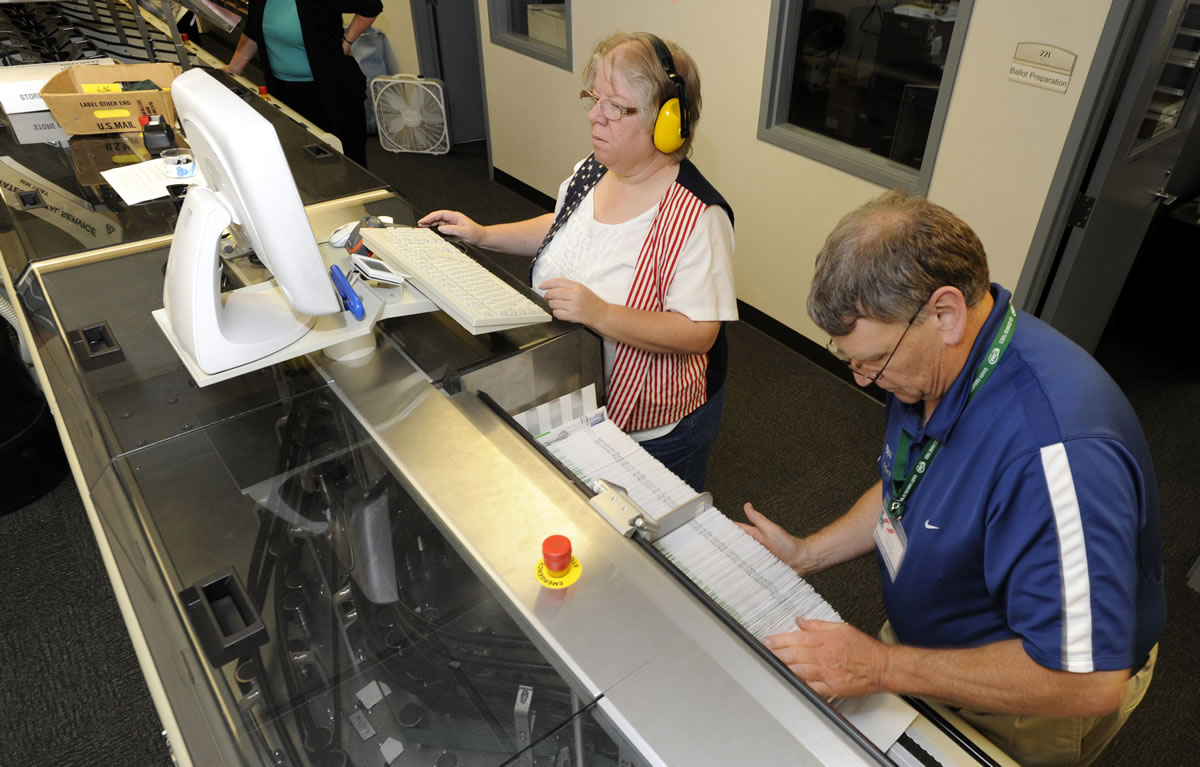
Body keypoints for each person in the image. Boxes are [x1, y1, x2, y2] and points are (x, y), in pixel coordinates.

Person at [740, 190, 1165, 767]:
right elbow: (910, 485)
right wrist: (807, 554)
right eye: (850, 361)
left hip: (1022, 701)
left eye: (873, 362)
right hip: (930, 650)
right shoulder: (933, 365)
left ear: (945, 313)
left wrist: (881, 667)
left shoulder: (1058, 454)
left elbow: (1085, 681)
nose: (864, 381)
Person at [419, 32, 737, 491]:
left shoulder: (697, 216)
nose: (594, 115)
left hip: (654, 428)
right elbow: (566, 227)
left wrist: (601, 314)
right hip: (578, 397)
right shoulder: (594, 169)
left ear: (667, 121)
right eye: (594, 98)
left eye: (615, 106)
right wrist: (483, 234)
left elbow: (700, 331)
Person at [223, 0, 381, 167]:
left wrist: (347, 42)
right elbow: (254, 30)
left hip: (332, 94)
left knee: (348, 167)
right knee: (302, 165)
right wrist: (234, 67)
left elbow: (371, 6)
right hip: (284, 92)